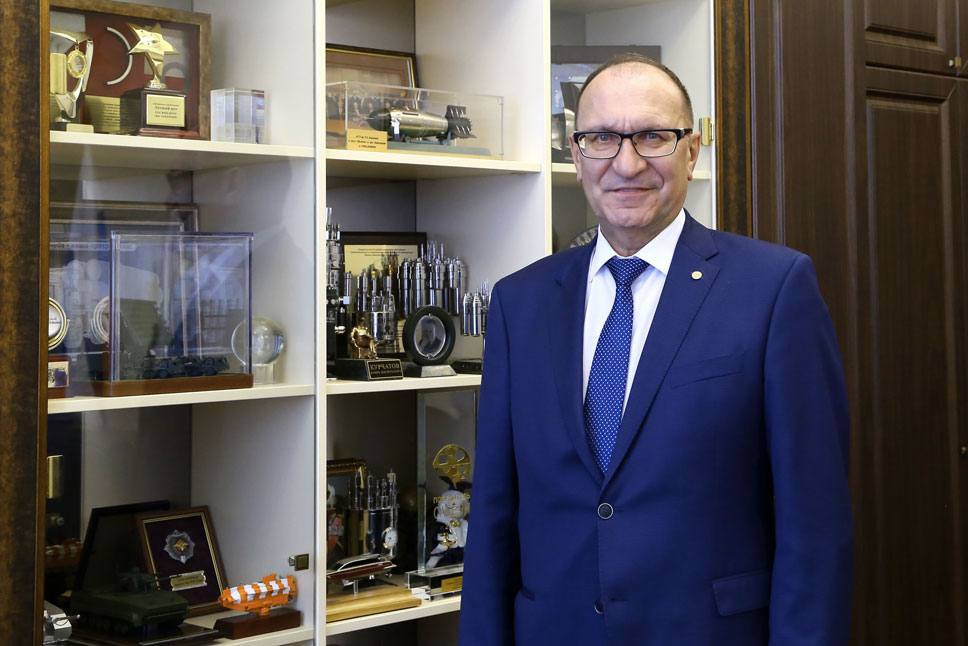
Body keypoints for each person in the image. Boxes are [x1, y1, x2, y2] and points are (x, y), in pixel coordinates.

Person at [458, 54, 853, 645]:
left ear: (691, 151)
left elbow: (814, 523)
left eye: (652, 136)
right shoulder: (521, 301)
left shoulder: (774, 288)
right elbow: (493, 512)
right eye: (601, 139)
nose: (627, 163)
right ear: (576, 155)